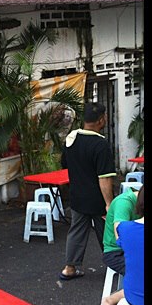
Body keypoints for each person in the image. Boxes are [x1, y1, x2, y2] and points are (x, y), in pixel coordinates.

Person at [59, 102, 116, 280]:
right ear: (100, 120)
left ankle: (69, 268)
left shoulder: (72, 139)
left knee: (76, 231)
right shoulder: (100, 144)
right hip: (97, 199)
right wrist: (109, 204)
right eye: (104, 117)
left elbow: (64, 164)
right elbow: (104, 178)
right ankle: (115, 268)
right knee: (106, 233)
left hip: (77, 196)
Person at [101, 186, 144, 305]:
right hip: (115, 251)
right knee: (139, 273)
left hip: (131, 246)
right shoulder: (124, 203)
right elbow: (119, 235)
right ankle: (110, 301)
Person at [102, 186, 141, 276]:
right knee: (139, 277)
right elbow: (120, 238)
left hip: (133, 249)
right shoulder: (124, 203)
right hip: (116, 252)